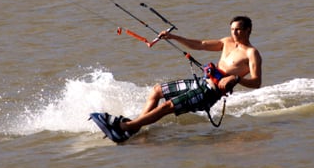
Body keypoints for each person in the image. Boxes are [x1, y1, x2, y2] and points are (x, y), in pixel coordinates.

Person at [94, 16, 262, 142]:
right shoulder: (227, 42)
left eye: (238, 29)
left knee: (167, 106)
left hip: (210, 93)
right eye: (232, 29)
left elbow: (256, 82)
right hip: (202, 83)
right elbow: (201, 44)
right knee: (157, 90)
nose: (234, 33)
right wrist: (174, 37)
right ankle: (134, 128)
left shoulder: (251, 53)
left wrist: (237, 78)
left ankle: (125, 127)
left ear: (248, 30)